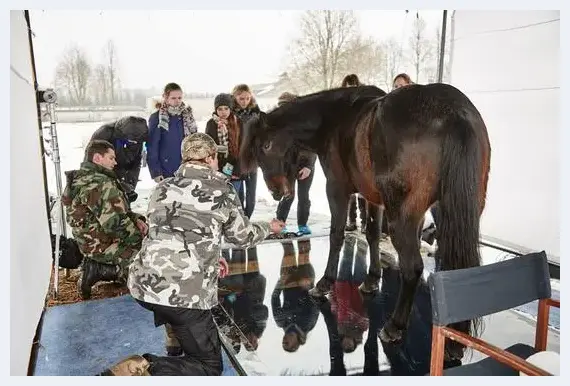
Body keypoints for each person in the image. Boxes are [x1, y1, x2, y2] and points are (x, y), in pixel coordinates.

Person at [100, 133, 285, 376]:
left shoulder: (162, 188)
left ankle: (175, 342)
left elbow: (169, 232)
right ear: (210, 158)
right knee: (208, 367)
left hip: (143, 284)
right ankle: (141, 368)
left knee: (177, 314)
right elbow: (242, 237)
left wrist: (208, 254)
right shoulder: (222, 190)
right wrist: (268, 228)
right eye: (216, 157)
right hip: (184, 294)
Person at [62, 140, 148, 300]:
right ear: (97, 158)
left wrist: (136, 219)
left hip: (90, 242)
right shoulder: (100, 185)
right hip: (102, 245)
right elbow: (116, 225)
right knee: (149, 261)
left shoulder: (82, 179)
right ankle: (102, 270)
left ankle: (105, 268)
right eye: (111, 158)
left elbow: (114, 212)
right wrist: (142, 240)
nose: (115, 163)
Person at [274, 92, 316, 236]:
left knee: (304, 196)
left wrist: (309, 166)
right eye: (281, 106)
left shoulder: (305, 123)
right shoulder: (276, 124)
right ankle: (280, 223)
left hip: (305, 166)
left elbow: (313, 146)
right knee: (288, 195)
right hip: (286, 167)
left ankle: (303, 224)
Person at [89, 116, 149, 202]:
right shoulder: (104, 134)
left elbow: (135, 163)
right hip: (102, 181)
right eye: (132, 141)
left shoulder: (138, 137)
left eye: (137, 142)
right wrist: (112, 185)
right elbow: (91, 163)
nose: (135, 143)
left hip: (122, 176)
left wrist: (130, 186)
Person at [147, 82, 198, 183]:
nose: (177, 101)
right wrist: (156, 172)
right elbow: (152, 147)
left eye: (179, 98)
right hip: (167, 169)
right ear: (165, 98)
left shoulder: (187, 117)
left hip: (186, 169)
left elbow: (195, 141)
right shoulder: (158, 118)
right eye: (173, 98)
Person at [340, 74, 368, 232]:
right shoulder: (342, 106)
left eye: (353, 87)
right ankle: (351, 219)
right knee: (348, 188)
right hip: (346, 151)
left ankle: (365, 221)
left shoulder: (363, 104)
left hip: (361, 150)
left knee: (363, 187)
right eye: (348, 88)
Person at [231, 84, 261, 218]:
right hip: (235, 160)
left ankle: (247, 219)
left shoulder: (256, 113)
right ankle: (240, 221)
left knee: (251, 196)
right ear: (235, 97)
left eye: (247, 98)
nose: (244, 101)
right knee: (238, 195)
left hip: (252, 159)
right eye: (241, 98)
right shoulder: (229, 113)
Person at [205, 93, 243, 194]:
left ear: (230, 109)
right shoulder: (211, 124)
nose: (223, 112)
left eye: (226, 108)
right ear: (216, 110)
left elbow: (243, 148)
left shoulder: (237, 123)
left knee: (234, 199)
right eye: (220, 109)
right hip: (217, 169)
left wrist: (237, 170)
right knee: (219, 199)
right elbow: (208, 147)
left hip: (234, 168)